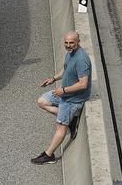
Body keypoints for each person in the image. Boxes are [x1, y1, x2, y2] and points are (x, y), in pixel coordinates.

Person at [32, 31, 92, 165]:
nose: (69, 45)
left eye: (72, 43)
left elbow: (83, 84)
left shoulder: (82, 60)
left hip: (72, 99)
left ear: (78, 42)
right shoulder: (70, 54)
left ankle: (49, 155)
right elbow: (66, 70)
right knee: (42, 101)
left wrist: (63, 90)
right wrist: (53, 79)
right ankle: (70, 118)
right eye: (66, 42)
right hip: (64, 94)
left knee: (60, 127)